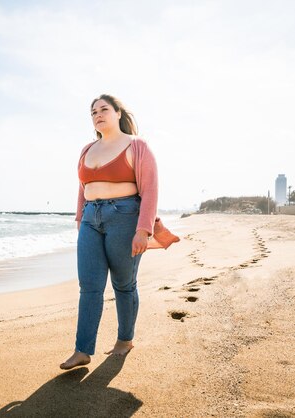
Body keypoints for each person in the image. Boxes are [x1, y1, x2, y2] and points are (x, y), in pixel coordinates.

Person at [60, 94, 179, 370]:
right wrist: (80, 220)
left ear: (117, 113)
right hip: (91, 219)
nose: (98, 115)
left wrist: (143, 230)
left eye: (104, 109)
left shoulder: (137, 146)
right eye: (93, 112)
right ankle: (82, 350)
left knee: (123, 284)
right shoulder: (86, 150)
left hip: (125, 218)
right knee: (89, 286)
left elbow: (150, 190)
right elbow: (82, 188)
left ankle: (125, 340)